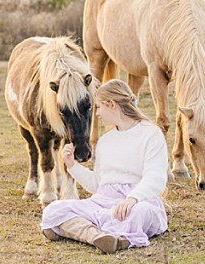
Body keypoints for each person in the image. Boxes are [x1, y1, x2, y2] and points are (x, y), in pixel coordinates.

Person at [39, 79, 169, 253]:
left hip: (139, 201)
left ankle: (86, 230)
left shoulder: (151, 134)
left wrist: (131, 199)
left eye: (99, 107)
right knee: (53, 209)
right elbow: (98, 185)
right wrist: (72, 165)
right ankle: (98, 236)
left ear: (112, 105)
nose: (97, 114)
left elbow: (156, 178)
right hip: (103, 202)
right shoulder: (105, 141)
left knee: (137, 214)